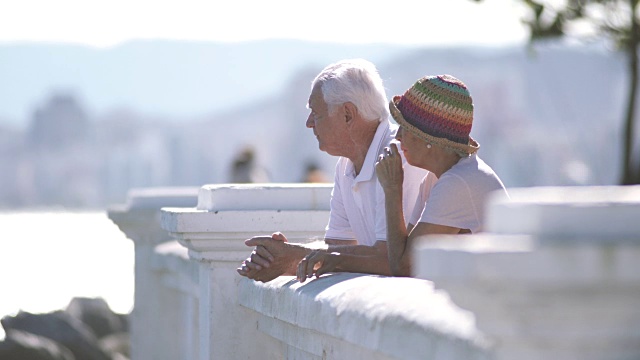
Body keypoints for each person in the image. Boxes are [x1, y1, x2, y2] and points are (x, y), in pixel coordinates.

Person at [236, 59, 434, 282]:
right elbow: (339, 249)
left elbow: (389, 258)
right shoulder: (345, 165)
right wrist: (284, 258)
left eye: (316, 113)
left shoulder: (401, 155)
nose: (309, 123)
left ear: (348, 114)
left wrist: (295, 255)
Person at [316, 74, 507, 278]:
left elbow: (402, 265)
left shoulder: (457, 183)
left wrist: (392, 188)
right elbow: (401, 250)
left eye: (405, 129)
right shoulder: (436, 179)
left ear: (429, 139)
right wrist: (332, 258)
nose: (398, 136)